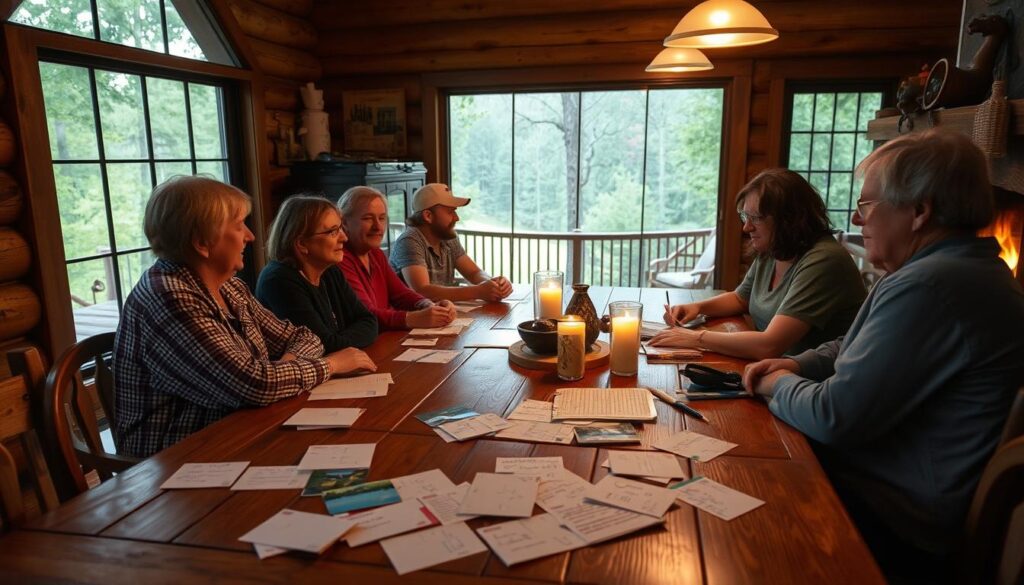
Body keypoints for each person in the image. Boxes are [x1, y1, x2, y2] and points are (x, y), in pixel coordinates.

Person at [743, 129, 1024, 583]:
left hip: (897, 520)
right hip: (895, 488)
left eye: (868, 205)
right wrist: (798, 365)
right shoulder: (962, 269)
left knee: (743, 495)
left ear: (919, 211)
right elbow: (850, 344)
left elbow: (833, 416)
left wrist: (774, 384)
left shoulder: (929, 286)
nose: (856, 219)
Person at [114, 177, 374, 458]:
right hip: (175, 461)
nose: (250, 236)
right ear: (202, 242)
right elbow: (256, 385)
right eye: (239, 226)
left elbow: (303, 336)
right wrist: (331, 364)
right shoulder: (170, 297)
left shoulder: (229, 286)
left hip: (241, 430)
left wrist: (280, 370)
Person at [650, 168, 866, 359]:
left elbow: (769, 345)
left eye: (756, 218)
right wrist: (696, 307)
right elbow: (740, 298)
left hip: (813, 387)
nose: (746, 228)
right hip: (775, 373)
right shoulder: (774, 249)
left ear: (789, 219)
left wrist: (696, 338)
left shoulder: (824, 260)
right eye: (745, 216)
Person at [256, 195, 379, 352]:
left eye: (340, 228)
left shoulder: (330, 270)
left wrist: (337, 340)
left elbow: (369, 321)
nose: (344, 237)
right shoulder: (278, 281)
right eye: (333, 232)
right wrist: (340, 340)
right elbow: (321, 345)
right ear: (301, 244)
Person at [337, 186, 457, 330]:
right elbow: (366, 315)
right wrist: (412, 318)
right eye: (367, 218)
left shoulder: (376, 254)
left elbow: (401, 294)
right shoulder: (340, 259)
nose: (378, 226)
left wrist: (429, 305)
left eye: (381, 218)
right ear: (344, 223)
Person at [389, 183, 513, 302]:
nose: (457, 217)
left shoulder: (448, 237)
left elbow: (473, 272)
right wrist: (478, 291)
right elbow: (422, 290)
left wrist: (493, 284)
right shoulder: (409, 241)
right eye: (450, 212)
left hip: (441, 316)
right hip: (412, 320)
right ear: (428, 216)